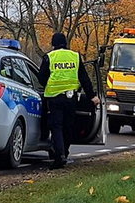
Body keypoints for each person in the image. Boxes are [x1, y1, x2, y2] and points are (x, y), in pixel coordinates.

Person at [36, 32, 101, 169]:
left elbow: (41, 78)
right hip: (71, 98)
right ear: (65, 43)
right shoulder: (75, 56)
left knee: (56, 127)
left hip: (54, 98)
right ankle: (64, 152)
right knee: (68, 126)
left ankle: (59, 156)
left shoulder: (49, 57)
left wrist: (49, 84)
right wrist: (92, 96)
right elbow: (84, 79)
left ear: (53, 44)